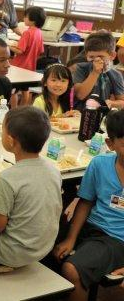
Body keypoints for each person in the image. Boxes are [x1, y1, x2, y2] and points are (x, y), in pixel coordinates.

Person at [53, 110, 124, 301]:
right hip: (91, 228)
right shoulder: (100, 164)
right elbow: (85, 202)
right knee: (42, 247)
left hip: (116, 239)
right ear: (110, 144)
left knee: (71, 269)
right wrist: (70, 238)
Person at [0, 106, 62, 270]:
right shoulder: (54, 170)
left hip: (10, 252)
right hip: (43, 247)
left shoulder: (7, 178)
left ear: (11, 140)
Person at [72, 31, 124, 110]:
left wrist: (111, 103)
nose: (96, 60)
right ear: (86, 56)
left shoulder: (115, 74)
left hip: (101, 115)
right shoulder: (80, 68)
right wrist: (95, 72)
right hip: (79, 114)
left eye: (101, 56)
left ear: (112, 56)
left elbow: (121, 101)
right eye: (91, 57)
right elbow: (80, 95)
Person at [9, 6, 46, 106]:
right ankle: (23, 110)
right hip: (30, 67)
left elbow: (20, 51)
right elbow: (40, 50)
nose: (24, 18)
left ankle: (14, 110)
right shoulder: (39, 33)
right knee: (26, 90)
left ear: (33, 19)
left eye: (26, 16)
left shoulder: (27, 33)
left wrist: (7, 45)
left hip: (19, 67)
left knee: (13, 91)